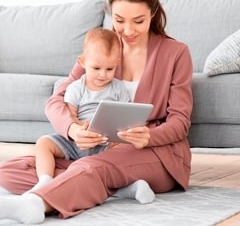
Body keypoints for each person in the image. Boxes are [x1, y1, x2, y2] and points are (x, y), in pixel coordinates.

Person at [0, 0, 193, 224]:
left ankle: (36, 202)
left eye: (138, 21)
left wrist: (149, 136)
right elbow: (56, 101)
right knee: (9, 171)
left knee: (92, 167)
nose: (128, 31)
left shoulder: (176, 53)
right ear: (110, 14)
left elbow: (180, 122)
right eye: (119, 21)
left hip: (156, 155)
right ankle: (119, 188)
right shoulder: (102, 49)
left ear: (153, 13)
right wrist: (73, 130)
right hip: (96, 152)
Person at [26, 27, 154, 205]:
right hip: (76, 142)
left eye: (110, 68)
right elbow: (70, 116)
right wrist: (79, 129)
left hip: (105, 146)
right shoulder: (76, 87)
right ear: (83, 62)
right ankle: (45, 181)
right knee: (43, 143)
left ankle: (126, 188)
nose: (103, 75)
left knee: (127, 152)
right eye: (96, 68)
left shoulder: (118, 89)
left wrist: (120, 137)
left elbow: (125, 117)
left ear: (117, 62)